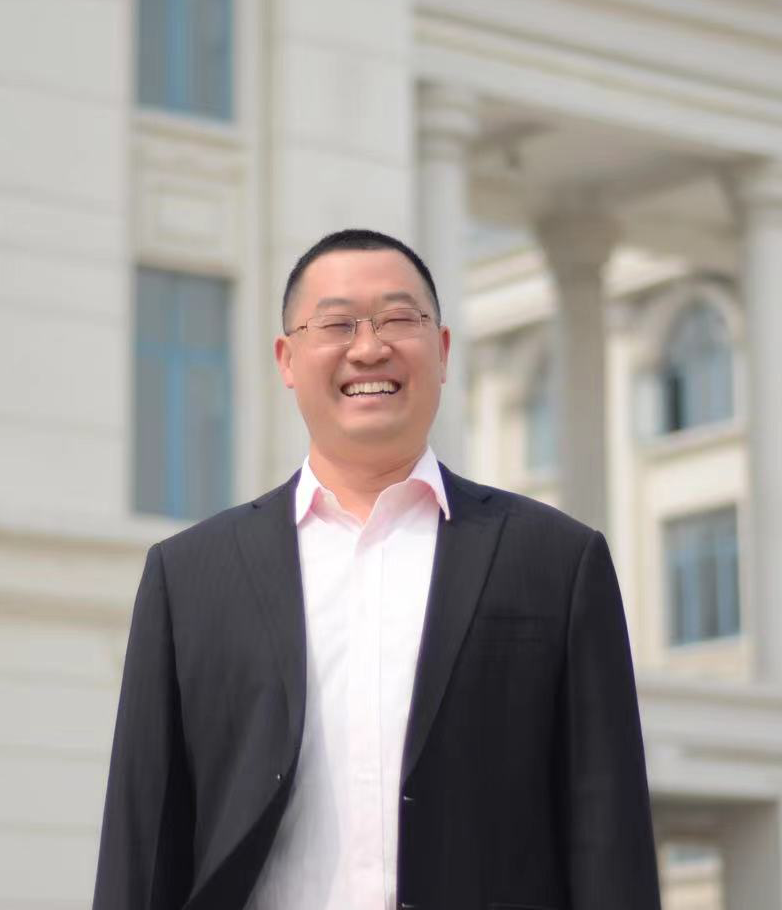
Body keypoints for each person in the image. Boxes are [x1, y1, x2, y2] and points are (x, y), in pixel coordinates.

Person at [93, 229, 661, 910]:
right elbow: (142, 843)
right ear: (287, 359)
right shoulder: (189, 579)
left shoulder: (556, 562)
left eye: (397, 319)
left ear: (442, 351)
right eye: (337, 324)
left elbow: (609, 837)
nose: (368, 348)